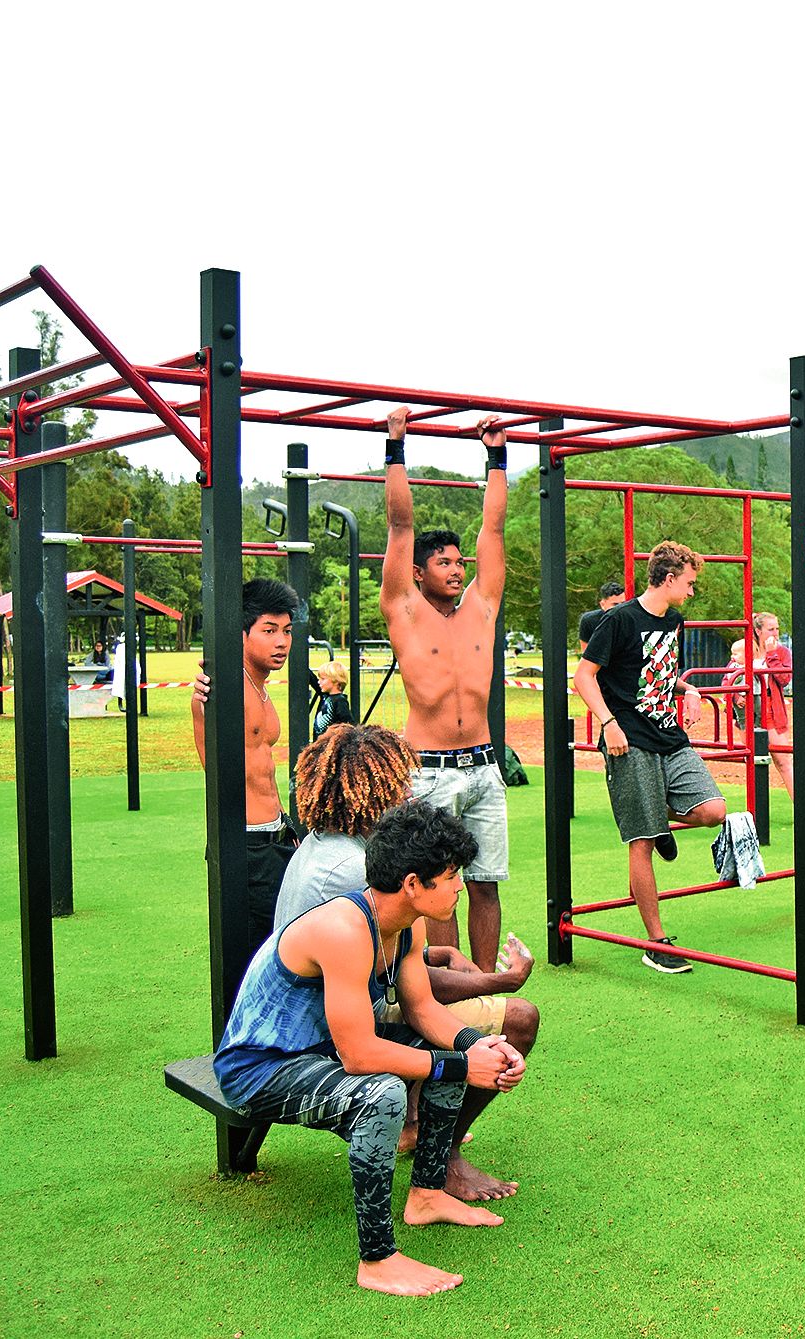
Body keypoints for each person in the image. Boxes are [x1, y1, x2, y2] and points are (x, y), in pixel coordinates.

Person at [214, 800, 525, 1297]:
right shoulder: (345, 929)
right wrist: (464, 1065)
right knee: (382, 1093)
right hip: (261, 1069)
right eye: (449, 877)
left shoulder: (405, 922)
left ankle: (426, 1194)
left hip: (321, 1052)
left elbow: (423, 1010)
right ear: (411, 884)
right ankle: (377, 1259)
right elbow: (360, 1056)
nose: (460, 887)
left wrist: (478, 1045)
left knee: (444, 1054)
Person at [275, 723, 541, 1202]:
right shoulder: (354, 871)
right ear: (374, 789)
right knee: (516, 1020)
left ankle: (418, 1127)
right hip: (323, 1036)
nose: (406, 793)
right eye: (399, 782)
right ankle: (444, 1161)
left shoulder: (329, 844)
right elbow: (410, 995)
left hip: (335, 1012)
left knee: (457, 1032)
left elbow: (394, 963)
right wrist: (499, 980)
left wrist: (440, 954)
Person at [380, 405, 510, 972]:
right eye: (444, 563)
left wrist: (497, 456)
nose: (457, 570)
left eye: (461, 562)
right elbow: (400, 527)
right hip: (427, 768)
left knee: (485, 885)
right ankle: (444, 992)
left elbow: (494, 530)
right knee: (439, 888)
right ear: (417, 571)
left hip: (483, 766)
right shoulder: (404, 610)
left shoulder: (481, 609)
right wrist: (396, 447)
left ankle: (485, 985)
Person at [574, 541, 728, 975]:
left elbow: (657, 673)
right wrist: (608, 723)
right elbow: (584, 677)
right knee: (640, 839)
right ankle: (656, 941)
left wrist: (691, 690)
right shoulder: (618, 620)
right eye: (690, 583)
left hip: (668, 734)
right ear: (669, 578)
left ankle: (657, 820)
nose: (693, 591)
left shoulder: (675, 622)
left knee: (714, 809)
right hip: (629, 738)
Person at [192, 577, 301, 963]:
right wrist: (206, 691)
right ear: (241, 634)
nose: (282, 642)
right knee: (258, 956)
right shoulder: (224, 687)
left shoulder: (259, 686)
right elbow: (214, 757)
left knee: (285, 945)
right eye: (268, 631)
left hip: (274, 835)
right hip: (247, 844)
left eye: (286, 631)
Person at [748, 611, 796, 797]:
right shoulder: (746, 649)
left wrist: (772, 655)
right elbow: (731, 674)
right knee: (752, 761)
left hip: (771, 710)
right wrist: (737, 699)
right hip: (750, 710)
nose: (775, 633)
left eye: (777, 628)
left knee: (783, 761)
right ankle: (755, 811)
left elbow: (784, 678)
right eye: (770, 629)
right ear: (758, 631)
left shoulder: (782, 652)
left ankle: (799, 807)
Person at [577, 579, 627, 654]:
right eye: (615, 605)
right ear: (603, 604)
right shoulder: (589, 620)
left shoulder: (631, 618)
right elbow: (586, 653)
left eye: (623, 604)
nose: (619, 608)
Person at [312, 660, 355, 738]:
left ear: (336, 681)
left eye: (323, 679)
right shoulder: (326, 696)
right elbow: (313, 680)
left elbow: (348, 724)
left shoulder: (340, 701)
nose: (319, 682)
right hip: (320, 744)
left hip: (330, 744)